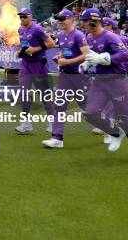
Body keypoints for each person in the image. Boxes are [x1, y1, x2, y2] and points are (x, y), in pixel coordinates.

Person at [79, 8, 128, 163]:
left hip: (117, 81)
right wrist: (87, 62)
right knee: (90, 113)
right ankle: (116, 133)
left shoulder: (110, 37)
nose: (83, 24)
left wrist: (107, 58)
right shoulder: (89, 37)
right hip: (99, 81)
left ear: (94, 21)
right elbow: (91, 56)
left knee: (125, 118)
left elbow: (125, 55)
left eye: (85, 21)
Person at [42, 9, 89, 149]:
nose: (60, 22)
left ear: (72, 19)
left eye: (63, 19)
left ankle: (111, 130)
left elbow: (86, 55)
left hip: (79, 76)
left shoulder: (79, 35)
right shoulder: (61, 35)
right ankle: (57, 138)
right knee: (59, 105)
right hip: (65, 75)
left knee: (89, 108)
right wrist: (59, 56)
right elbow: (64, 50)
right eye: (59, 19)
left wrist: (68, 62)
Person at [15, 7, 56, 134]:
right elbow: (24, 45)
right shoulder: (20, 29)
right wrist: (20, 52)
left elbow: (51, 43)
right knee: (23, 93)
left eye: (24, 16)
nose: (22, 18)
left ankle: (53, 122)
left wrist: (35, 49)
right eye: (20, 16)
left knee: (44, 95)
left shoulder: (38, 29)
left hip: (38, 64)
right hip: (25, 64)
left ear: (30, 17)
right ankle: (26, 124)